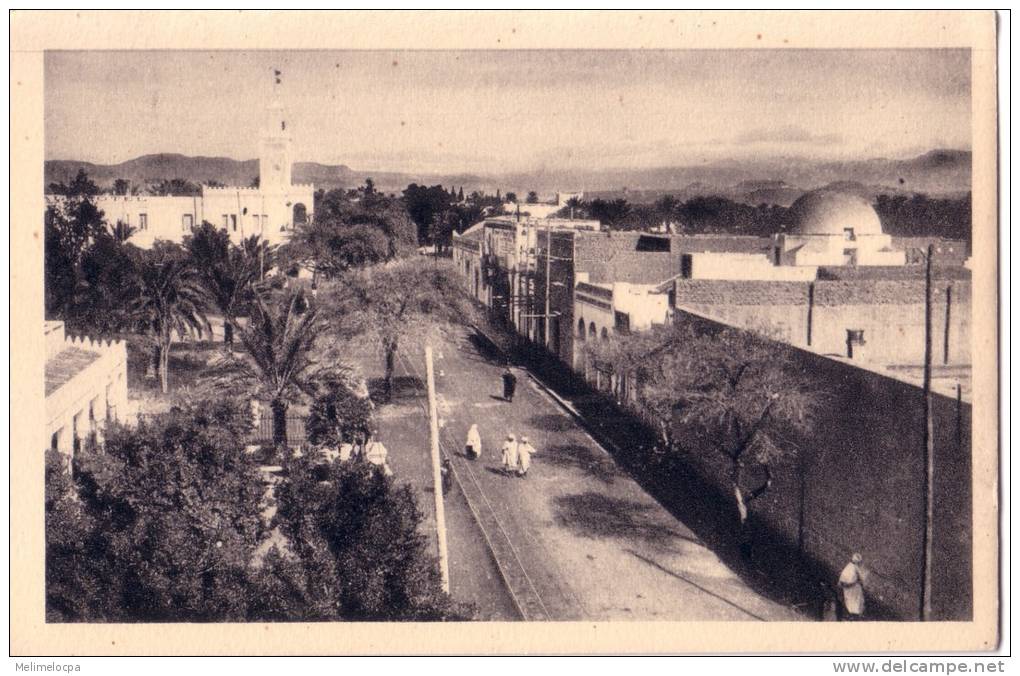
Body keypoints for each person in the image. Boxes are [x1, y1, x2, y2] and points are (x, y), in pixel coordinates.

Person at [838, 553, 866, 620]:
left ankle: (853, 615)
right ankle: (853, 615)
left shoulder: (852, 567)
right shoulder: (850, 569)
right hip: (851, 589)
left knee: (855, 603)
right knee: (853, 603)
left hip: (853, 589)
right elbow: (844, 583)